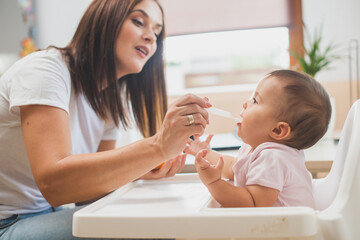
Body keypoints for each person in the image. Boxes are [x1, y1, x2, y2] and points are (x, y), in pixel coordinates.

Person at [0, 0, 211, 239]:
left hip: (50, 214)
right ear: (105, 20)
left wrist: (138, 170)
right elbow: (54, 185)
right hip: (9, 223)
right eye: (139, 22)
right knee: (148, 228)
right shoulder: (45, 70)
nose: (151, 38)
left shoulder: (110, 104)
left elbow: (86, 196)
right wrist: (157, 146)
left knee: (161, 216)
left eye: (156, 32)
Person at [185, 69, 332, 208]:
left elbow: (252, 204)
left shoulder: (273, 158)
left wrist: (213, 182)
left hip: (289, 233)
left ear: (278, 130)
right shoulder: (258, 150)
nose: (245, 103)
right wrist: (206, 153)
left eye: (255, 100)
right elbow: (232, 168)